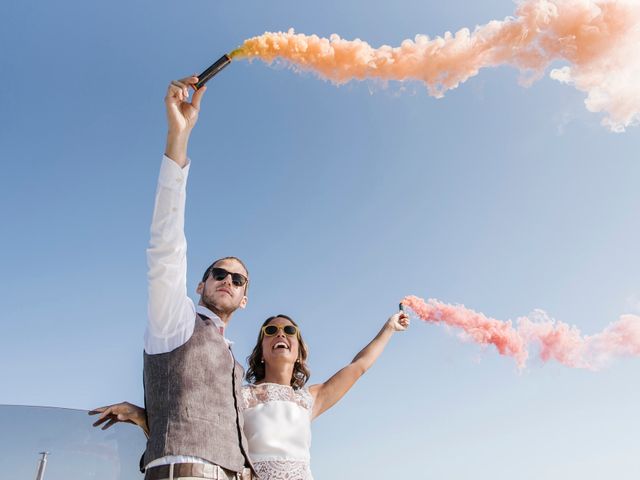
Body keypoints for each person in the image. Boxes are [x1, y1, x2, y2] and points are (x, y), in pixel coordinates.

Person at [92, 75, 256, 480]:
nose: (228, 281)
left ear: (244, 299)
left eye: (238, 280)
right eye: (219, 273)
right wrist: (178, 138)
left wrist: (146, 417)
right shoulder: (175, 322)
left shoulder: (235, 360)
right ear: (199, 285)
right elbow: (166, 248)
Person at [92, 309, 409, 479]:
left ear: (298, 351)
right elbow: (190, 439)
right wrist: (139, 415)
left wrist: (389, 328)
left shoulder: (311, 398)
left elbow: (360, 365)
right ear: (261, 352)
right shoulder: (238, 396)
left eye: (289, 331)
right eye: (271, 331)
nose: (280, 334)